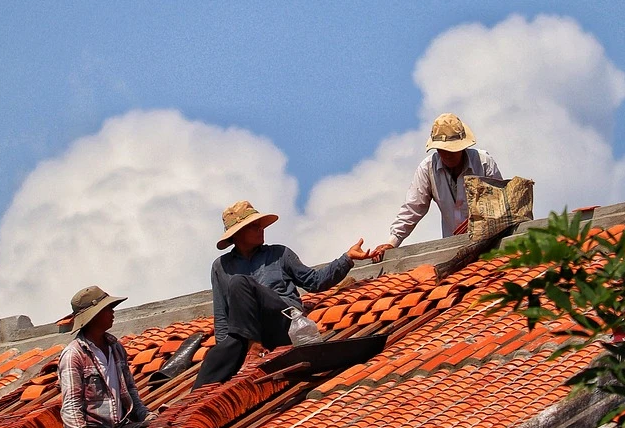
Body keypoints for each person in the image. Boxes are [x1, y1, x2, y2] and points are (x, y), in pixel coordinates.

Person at [199, 200, 372, 388]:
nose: (261, 229)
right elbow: (222, 318)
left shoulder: (280, 254)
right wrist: (228, 354)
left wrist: (346, 259)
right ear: (239, 233)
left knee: (239, 283)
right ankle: (190, 402)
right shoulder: (220, 267)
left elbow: (314, 281)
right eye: (254, 226)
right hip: (249, 333)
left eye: (260, 225)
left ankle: (255, 349)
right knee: (216, 355)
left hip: (284, 322)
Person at [370, 113, 502, 260]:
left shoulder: (484, 162)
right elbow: (412, 207)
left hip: (492, 245)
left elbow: (500, 204)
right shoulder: (427, 168)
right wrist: (392, 242)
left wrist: (478, 218)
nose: (446, 154)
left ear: (462, 146)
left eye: (451, 150)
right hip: (455, 250)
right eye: (441, 150)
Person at [54, 285, 150, 428]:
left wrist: (148, 417)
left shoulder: (116, 347)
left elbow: (131, 392)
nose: (112, 313)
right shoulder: (74, 355)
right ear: (94, 316)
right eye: (107, 309)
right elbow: (71, 406)